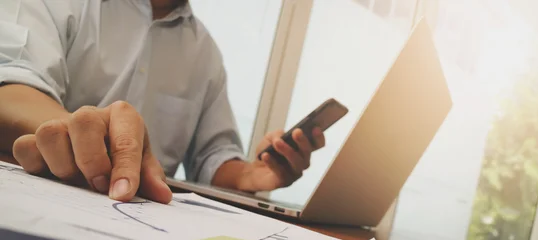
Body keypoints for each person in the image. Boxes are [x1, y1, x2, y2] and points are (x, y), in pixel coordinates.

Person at [0, 0, 324, 204]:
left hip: (143, 217)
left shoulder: (205, 53)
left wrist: (251, 176)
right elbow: (12, 81)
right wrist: (80, 132)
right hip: (40, 198)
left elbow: (213, 157)